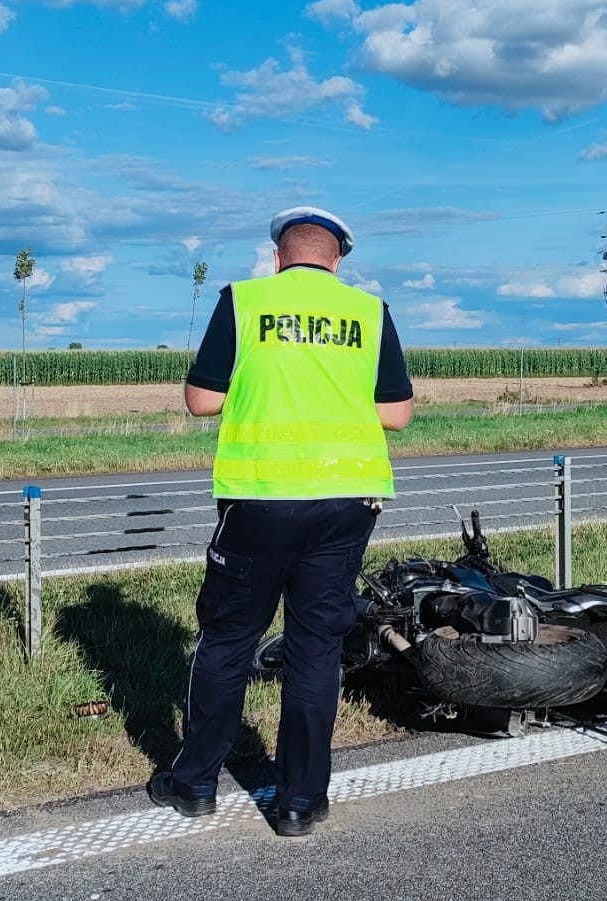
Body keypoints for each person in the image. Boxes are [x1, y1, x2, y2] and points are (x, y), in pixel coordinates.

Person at [146, 206, 414, 837]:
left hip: (259, 497)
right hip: (348, 499)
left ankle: (195, 786)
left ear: (278, 256)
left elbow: (202, 401)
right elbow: (397, 415)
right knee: (315, 648)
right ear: (338, 259)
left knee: (229, 639)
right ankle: (298, 801)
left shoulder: (243, 301)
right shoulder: (370, 312)